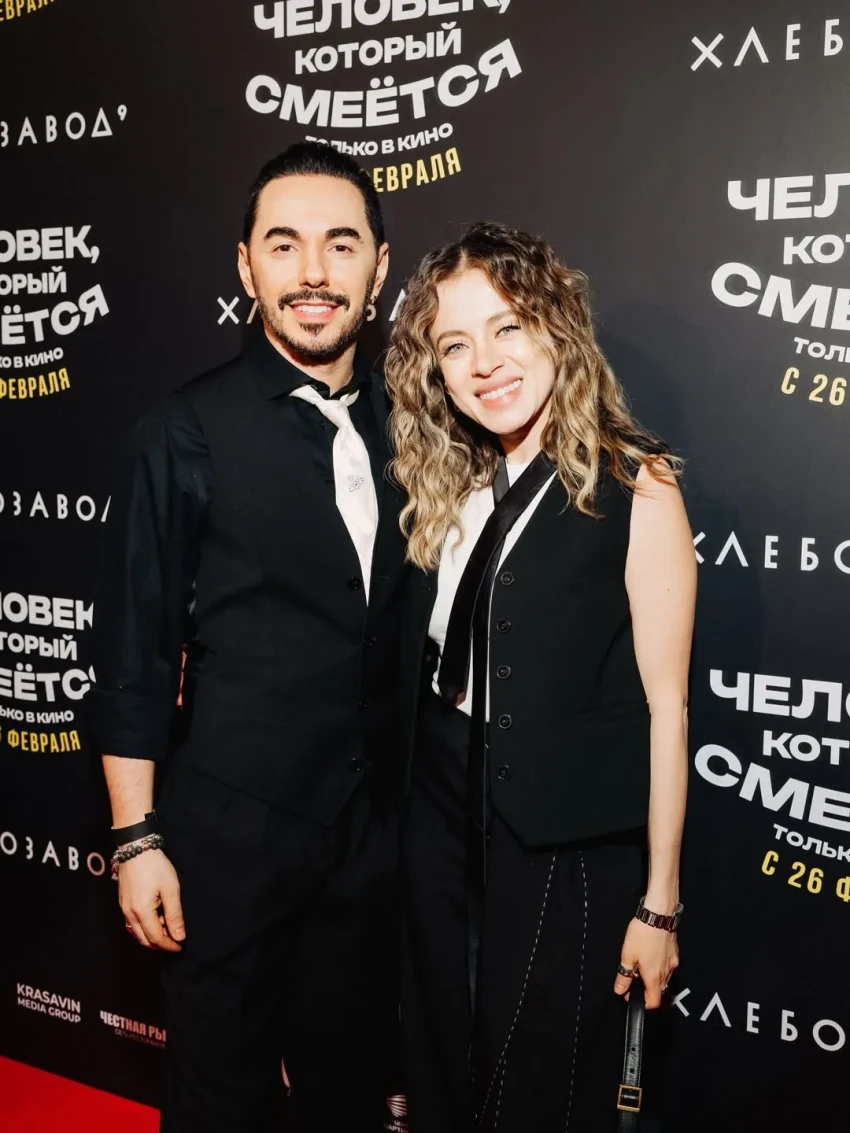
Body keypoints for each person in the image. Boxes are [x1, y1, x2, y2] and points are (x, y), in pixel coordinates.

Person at [88, 142, 408, 1133]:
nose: (313, 272)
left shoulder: (419, 423)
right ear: (246, 266)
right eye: (284, 244)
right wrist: (136, 836)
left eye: (340, 244)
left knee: (348, 1092)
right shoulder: (182, 430)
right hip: (228, 841)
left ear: (378, 269)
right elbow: (135, 652)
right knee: (218, 1099)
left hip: (372, 840)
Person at [385, 222, 696, 1133]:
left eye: (508, 327)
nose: (485, 362)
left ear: (556, 326)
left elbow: (668, 709)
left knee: (543, 1084)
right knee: (440, 1051)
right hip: (439, 813)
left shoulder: (637, 483)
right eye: (455, 344)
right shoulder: (449, 481)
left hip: (566, 841)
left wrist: (660, 905)